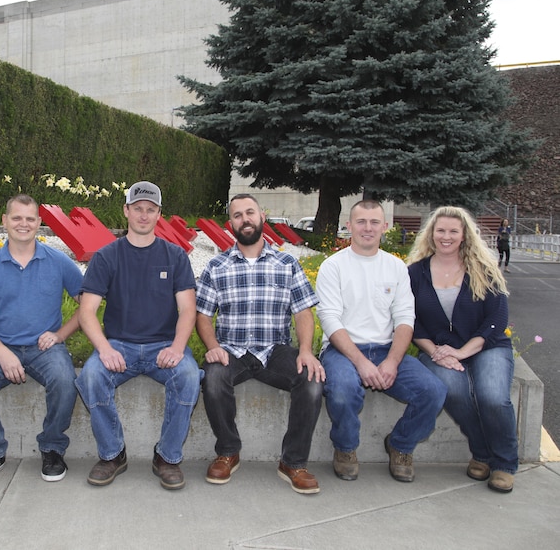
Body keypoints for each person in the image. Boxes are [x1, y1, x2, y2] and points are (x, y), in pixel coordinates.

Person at [74, 181, 202, 490]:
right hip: (119, 345)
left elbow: (188, 310)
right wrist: (104, 349)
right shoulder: (107, 256)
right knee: (92, 376)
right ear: (126, 211)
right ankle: (113, 453)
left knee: (188, 376)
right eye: (137, 209)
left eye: (150, 210)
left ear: (159, 214)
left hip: (163, 346)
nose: (143, 216)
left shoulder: (175, 256)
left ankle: (168, 457)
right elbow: (87, 312)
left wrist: (177, 347)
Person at [196, 194, 325, 494]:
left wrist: (305, 351)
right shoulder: (217, 266)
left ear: (262, 217)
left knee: (311, 380)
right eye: (238, 215)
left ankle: (293, 462)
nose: (245, 219)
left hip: (275, 350)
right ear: (231, 224)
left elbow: (303, 311)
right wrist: (213, 345)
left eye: (250, 212)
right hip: (232, 349)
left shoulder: (287, 262)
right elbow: (202, 316)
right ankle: (228, 451)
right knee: (213, 378)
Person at [315, 200, 446, 483]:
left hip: (386, 349)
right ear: (348, 226)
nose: (367, 228)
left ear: (384, 227)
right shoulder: (332, 267)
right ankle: (346, 448)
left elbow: (404, 320)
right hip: (342, 350)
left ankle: (400, 445)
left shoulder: (396, 268)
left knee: (433, 391)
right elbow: (330, 320)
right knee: (342, 390)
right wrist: (361, 363)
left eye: (375, 222)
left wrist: (392, 362)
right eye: (361, 222)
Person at [0, 194, 83, 488]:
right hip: (0, 346)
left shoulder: (58, 262)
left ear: (39, 224)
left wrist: (60, 334)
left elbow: (87, 306)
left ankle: (53, 449)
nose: (23, 224)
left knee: (66, 380)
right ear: (4, 221)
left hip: (46, 349)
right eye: (16, 218)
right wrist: (2, 353)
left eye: (30, 219)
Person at [407, 206, 517, 493]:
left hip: (486, 346)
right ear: (431, 234)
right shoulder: (415, 273)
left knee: (492, 397)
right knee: (453, 391)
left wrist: (462, 352)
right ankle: (481, 454)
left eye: (453, 231)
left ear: (465, 235)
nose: (446, 236)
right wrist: (435, 352)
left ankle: (504, 463)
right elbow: (411, 322)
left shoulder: (483, 268)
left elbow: (497, 319)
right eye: (440, 230)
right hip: (436, 349)